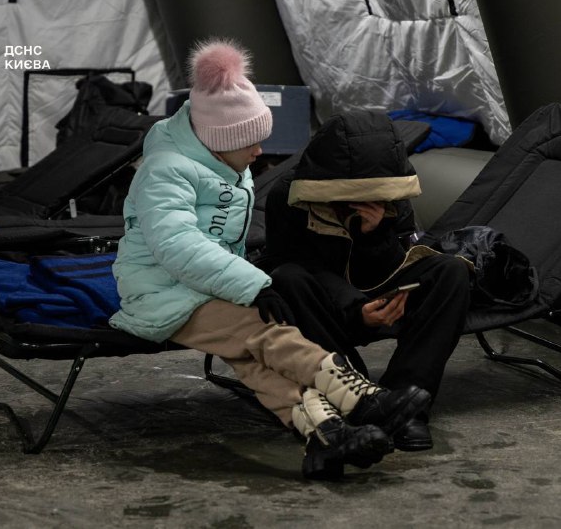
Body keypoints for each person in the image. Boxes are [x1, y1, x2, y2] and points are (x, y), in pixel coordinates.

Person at [108, 39, 430, 480]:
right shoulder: (165, 170)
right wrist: (253, 284)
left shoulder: (219, 157)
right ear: (219, 140)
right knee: (261, 331)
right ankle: (362, 399)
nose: (259, 151)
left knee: (253, 361)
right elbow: (177, 244)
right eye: (251, 142)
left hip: (200, 283)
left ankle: (325, 437)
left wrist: (246, 280)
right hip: (161, 292)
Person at [260, 110, 472, 452]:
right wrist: (356, 309)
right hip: (325, 307)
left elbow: (396, 262)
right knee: (286, 278)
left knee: (450, 270)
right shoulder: (287, 196)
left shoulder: (393, 192)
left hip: (376, 287)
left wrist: (375, 234)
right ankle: (360, 398)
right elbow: (296, 264)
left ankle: (406, 402)